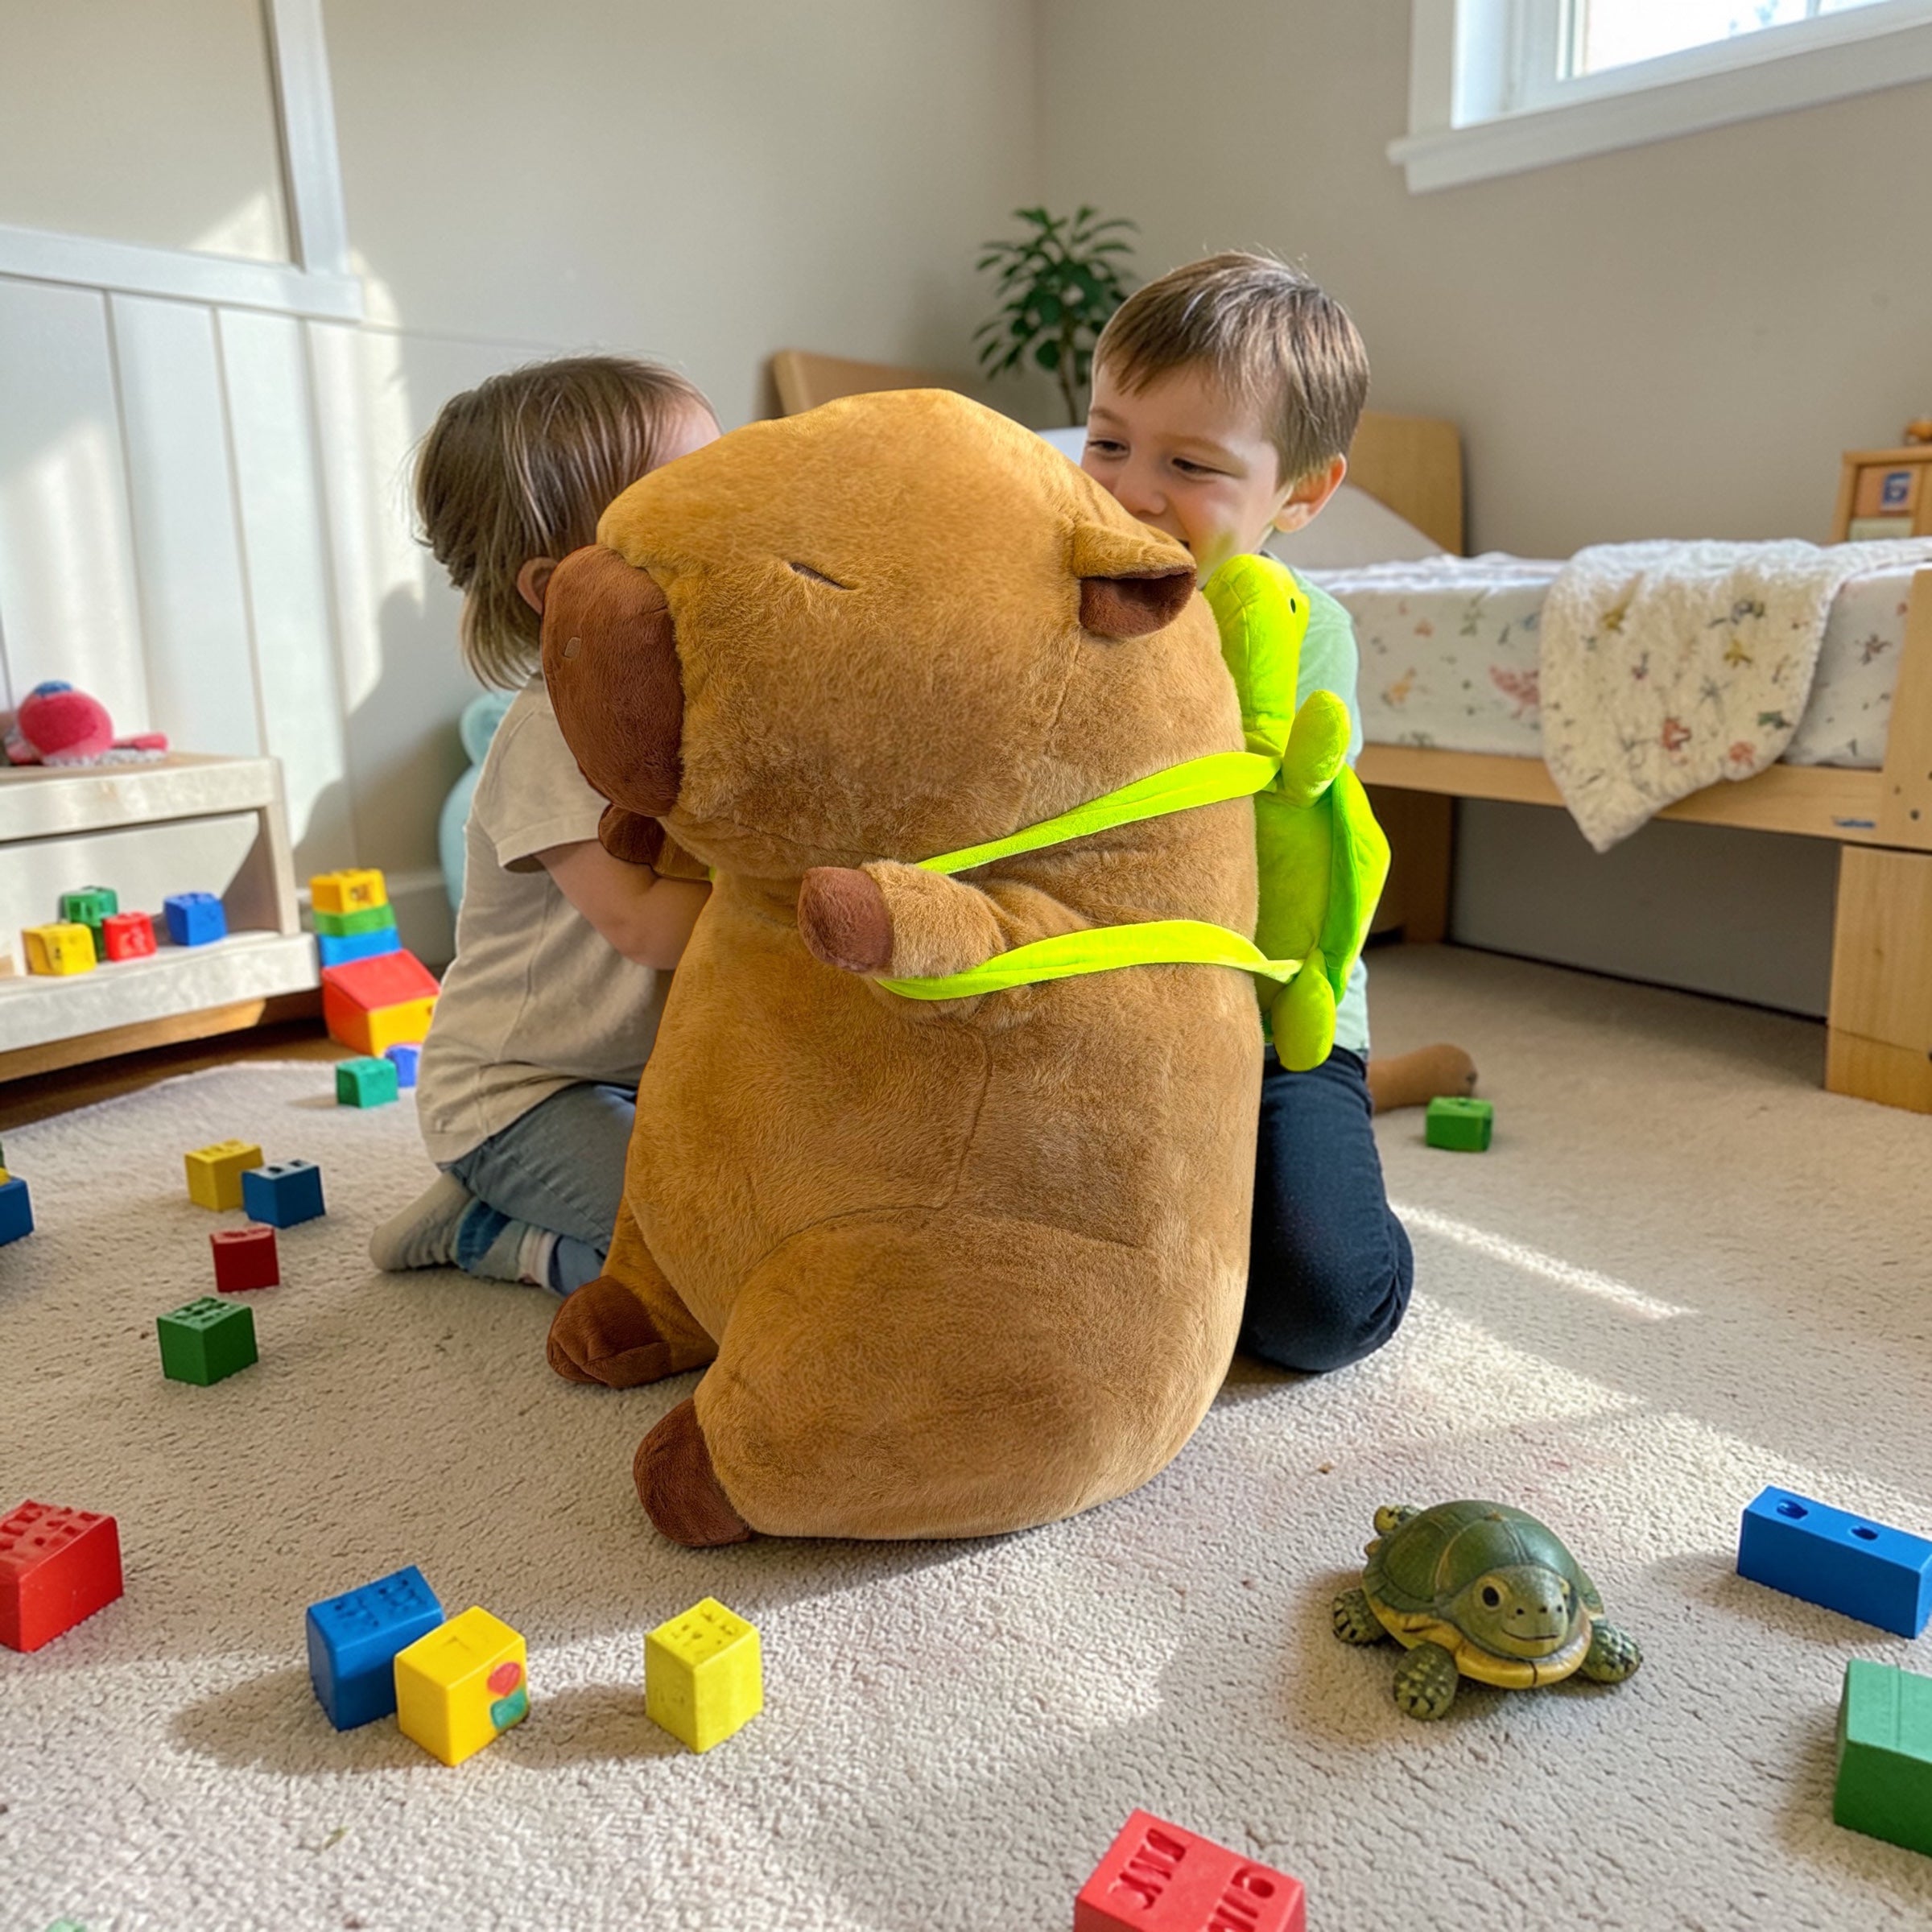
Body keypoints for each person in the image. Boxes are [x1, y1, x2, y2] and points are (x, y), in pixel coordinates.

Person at [1080, 251, 1473, 1373]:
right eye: (1107, 441)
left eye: (1190, 462)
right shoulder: (1050, 592)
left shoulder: (1310, 636)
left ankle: (1365, 1091)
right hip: (1095, 998)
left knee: (1316, 1307)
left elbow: (1264, 840)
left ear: (1300, 493)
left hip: (1276, 1019)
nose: (1129, 489)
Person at [369, 356, 717, 1294]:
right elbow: (642, 924)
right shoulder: (549, 738)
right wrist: (793, 891)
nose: (731, 518)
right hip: (519, 1094)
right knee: (691, 1255)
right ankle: (491, 1233)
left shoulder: (694, 700)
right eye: (687, 505)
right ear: (558, 585)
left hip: (642, 1071)